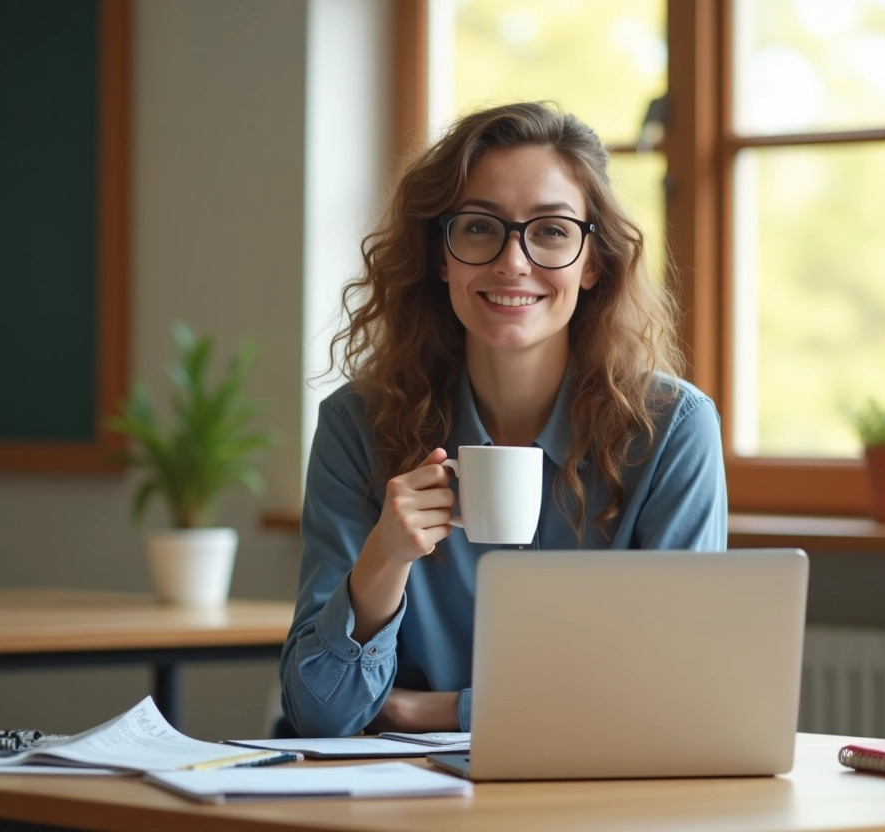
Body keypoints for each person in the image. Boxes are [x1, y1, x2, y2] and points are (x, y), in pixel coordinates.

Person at [279, 101, 727, 738]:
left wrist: (432, 710)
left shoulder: (671, 429)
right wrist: (384, 558)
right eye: (480, 227)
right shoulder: (356, 426)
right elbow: (319, 715)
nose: (512, 262)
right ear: (441, 255)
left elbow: (678, 695)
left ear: (592, 262)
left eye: (550, 231)